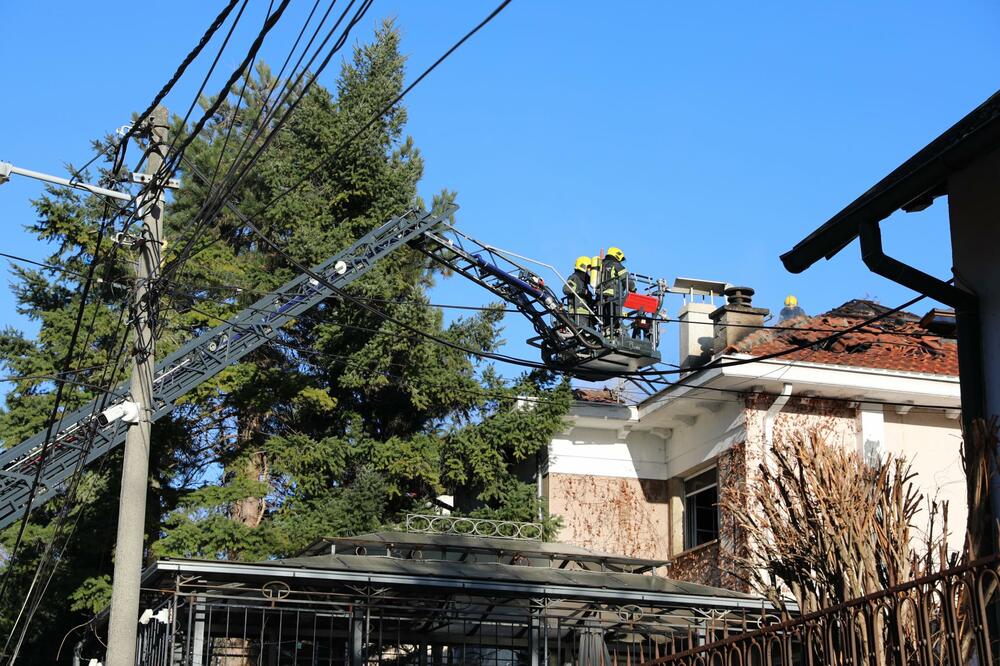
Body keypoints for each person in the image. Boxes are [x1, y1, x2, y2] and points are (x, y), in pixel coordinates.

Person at [600, 247, 635, 333]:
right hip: (614, 297)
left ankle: (606, 332)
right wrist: (633, 289)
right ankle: (615, 331)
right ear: (617, 255)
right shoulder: (616, 265)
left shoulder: (601, 265)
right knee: (616, 319)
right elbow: (628, 281)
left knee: (605, 319)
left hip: (601, 298)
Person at [563, 256, 595, 328]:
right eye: (589, 268)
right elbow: (566, 289)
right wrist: (583, 292)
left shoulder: (583, 282)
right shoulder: (575, 277)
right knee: (584, 335)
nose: (590, 272)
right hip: (578, 313)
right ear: (583, 267)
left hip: (585, 314)